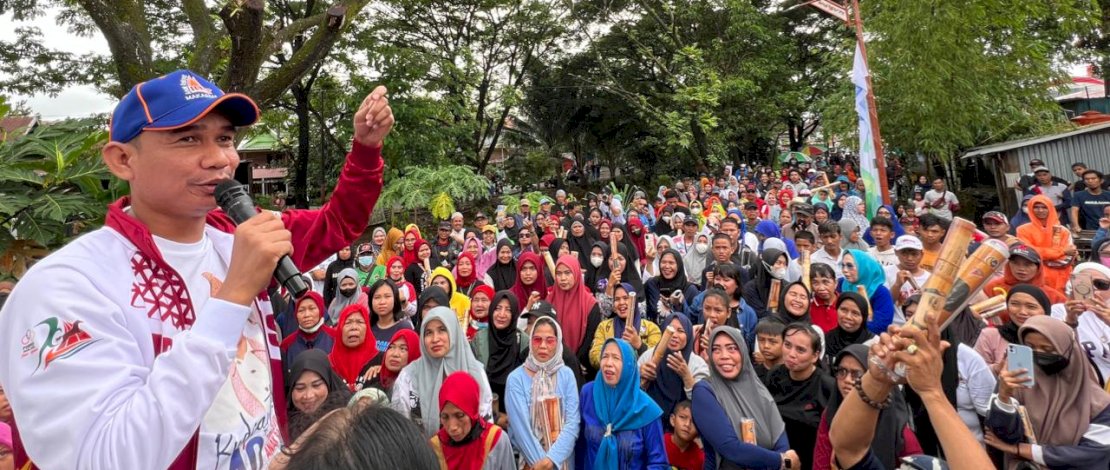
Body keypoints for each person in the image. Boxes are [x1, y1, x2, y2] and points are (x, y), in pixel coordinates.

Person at [829, 311, 995, 470]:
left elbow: (849, 450)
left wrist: (931, 391)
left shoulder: (968, 358)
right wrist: (878, 378)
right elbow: (846, 448)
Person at [985, 316, 1110, 469]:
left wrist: (1025, 450)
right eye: (1031, 347)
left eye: (1048, 349)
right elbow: (1000, 436)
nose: (1039, 354)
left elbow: (1093, 453)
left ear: (1069, 351)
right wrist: (1004, 397)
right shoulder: (1015, 384)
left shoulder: (1098, 403)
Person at [691, 326, 797, 469]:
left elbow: (779, 438)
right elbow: (730, 447)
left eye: (732, 348)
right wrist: (781, 461)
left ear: (743, 353)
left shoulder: (758, 390)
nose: (724, 355)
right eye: (716, 349)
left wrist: (783, 459)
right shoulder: (704, 391)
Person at [812, 344, 921, 470]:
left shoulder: (896, 426)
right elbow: (820, 463)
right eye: (842, 371)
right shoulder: (831, 412)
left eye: (856, 374)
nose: (847, 380)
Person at [391, 307, 493, 438]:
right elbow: (401, 427)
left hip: (469, 454)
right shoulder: (409, 376)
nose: (435, 339)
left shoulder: (475, 372)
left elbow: (485, 424)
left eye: (442, 330)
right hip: (422, 454)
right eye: (428, 333)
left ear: (454, 332)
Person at [575, 338, 668, 470]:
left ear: (629, 365)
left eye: (616, 358)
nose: (608, 363)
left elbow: (658, 463)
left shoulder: (648, 410)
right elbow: (580, 446)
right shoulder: (589, 394)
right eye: (605, 356)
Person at [505, 315, 581, 470]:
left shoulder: (566, 375)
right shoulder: (516, 379)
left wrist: (552, 460)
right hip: (529, 463)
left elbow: (572, 423)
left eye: (550, 340)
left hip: (563, 462)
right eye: (537, 339)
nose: (543, 346)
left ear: (558, 342)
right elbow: (521, 431)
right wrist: (541, 464)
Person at [765, 324, 835, 469]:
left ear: (815, 356)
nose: (791, 354)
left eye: (800, 350)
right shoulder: (775, 375)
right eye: (787, 345)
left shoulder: (827, 386)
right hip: (778, 459)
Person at [428, 371, 515, 470]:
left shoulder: (496, 440)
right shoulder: (435, 447)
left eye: (460, 415)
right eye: (445, 417)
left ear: (472, 411)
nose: (452, 427)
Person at [638, 313, 709, 424]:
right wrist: (640, 375)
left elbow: (703, 402)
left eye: (681, 331)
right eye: (670, 329)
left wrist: (686, 376)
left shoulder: (697, 364)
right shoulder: (649, 356)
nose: (674, 335)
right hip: (649, 421)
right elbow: (632, 391)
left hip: (683, 428)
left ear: (689, 335)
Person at [974, 284, 1052, 374]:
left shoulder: (1055, 338)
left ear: (1045, 310)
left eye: (1031, 306)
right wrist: (996, 368)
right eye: (1014, 304)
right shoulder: (991, 335)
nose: (1022, 312)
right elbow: (973, 373)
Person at [548, 254, 604, 376]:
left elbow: (590, 338)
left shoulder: (590, 304)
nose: (563, 278)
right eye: (559, 273)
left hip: (580, 368)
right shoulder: (549, 301)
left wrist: (573, 362)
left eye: (568, 273)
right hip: (552, 366)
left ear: (577, 274)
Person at [1056, 262, 1110, 381]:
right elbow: (1057, 352)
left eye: (1101, 284)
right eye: (1085, 282)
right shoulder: (1058, 311)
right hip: (1076, 384)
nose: (1094, 288)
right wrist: (1070, 319)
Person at [590, 283, 662, 369]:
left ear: (634, 301)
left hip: (641, 380)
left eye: (625, 298)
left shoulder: (651, 329)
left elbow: (656, 360)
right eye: (617, 299)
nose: (621, 303)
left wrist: (639, 345)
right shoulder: (604, 327)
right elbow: (594, 357)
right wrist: (614, 359)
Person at [470, 291, 523, 401]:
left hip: (514, 407)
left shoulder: (523, 341)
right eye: (497, 308)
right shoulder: (479, 340)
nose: (502, 314)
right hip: (485, 406)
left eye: (508, 310)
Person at [1016, 194, 1076, 292]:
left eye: (1044, 207)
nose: (1040, 210)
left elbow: (1066, 260)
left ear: (1050, 208)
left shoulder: (1063, 231)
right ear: (1031, 208)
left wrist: (1042, 258)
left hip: (1062, 280)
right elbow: (1029, 254)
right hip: (1036, 278)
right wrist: (1062, 252)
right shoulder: (1022, 230)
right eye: (1036, 207)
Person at [288, 349, 352, 436]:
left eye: (316, 385)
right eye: (300, 388)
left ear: (328, 382)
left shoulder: (348, 415)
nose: (308, 395)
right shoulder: (282, 422)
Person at [981, 245, 1068, 309]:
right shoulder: (991, 288)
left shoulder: (1054, 297)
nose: (1021, 269)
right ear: (1008, 264)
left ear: (1038, 267)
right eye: (1015, 263)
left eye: (1028, 264)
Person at [839, 249, 896, 334]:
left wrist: (851, 328)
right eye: (843, 265)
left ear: (863, 267)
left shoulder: (880, 292)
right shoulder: (840, 284)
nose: (845, 270)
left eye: (850, 266)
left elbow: (881, 325)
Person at [281, 292, 338, 375]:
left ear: (321, 310)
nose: (306, 315)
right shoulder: (286, 344)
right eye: (301, 310)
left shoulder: (335, 338)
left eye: (312, 308)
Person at [329, 304, 380, 391]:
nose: (353, 327)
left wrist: (385, 369)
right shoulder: (328, 363)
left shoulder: (380, 360)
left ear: (367, 328)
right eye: (348, 323)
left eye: (359, 322)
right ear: (340, 329)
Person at [356, 328, 420, 395]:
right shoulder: (373, 378)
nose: (395, 354)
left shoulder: (420, 390)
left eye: (403, 349)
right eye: (391, 347)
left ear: (414, 354)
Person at [644, 249, 700, 323]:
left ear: (679, 265)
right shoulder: (652, 284)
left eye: (671, 263)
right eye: (663, 262)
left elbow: (694, 319)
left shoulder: (690, 289)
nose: (667, 266)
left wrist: (679, 304)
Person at [824, 291, 875, 360]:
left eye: (855, 313)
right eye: (843, 310)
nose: (848, 317)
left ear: (864, 317)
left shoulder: (873, 343)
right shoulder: (826, 339)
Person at [367, 279, 414, 351]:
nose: (382, 302)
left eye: (387, 296)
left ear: (395, 299)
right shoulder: (367, 327)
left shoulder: (404, 328)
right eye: (377, 297)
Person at [742, 248, 790, 319]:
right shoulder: (751, 287)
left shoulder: (787, 286)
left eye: (784, 264)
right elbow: (758, 312)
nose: (782, 267)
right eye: (778, 263)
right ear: (767, 262)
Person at [664, 401, 705, 470]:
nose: (687, 424)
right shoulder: (659, 444)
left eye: (694, 422)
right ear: (673, 420)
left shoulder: (700, 458)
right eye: (683, 417)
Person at [809, 263, 840, 332]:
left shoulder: (844, 303)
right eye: (815, 283)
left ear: (836, 283)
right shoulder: (808, 306)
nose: (821, 288)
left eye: (826, 282)